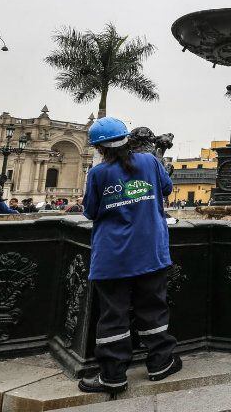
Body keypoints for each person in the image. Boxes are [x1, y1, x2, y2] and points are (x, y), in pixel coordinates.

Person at [78, 117, 180, 395]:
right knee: (153, 308)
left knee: (114, 315)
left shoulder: (98, 173)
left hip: (113, 256)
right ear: (128, 140)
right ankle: (161, 363)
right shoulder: (150, 162)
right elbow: (167, 188)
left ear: (99, 148)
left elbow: (90, 211)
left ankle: (113, 376)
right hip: (151, 250)